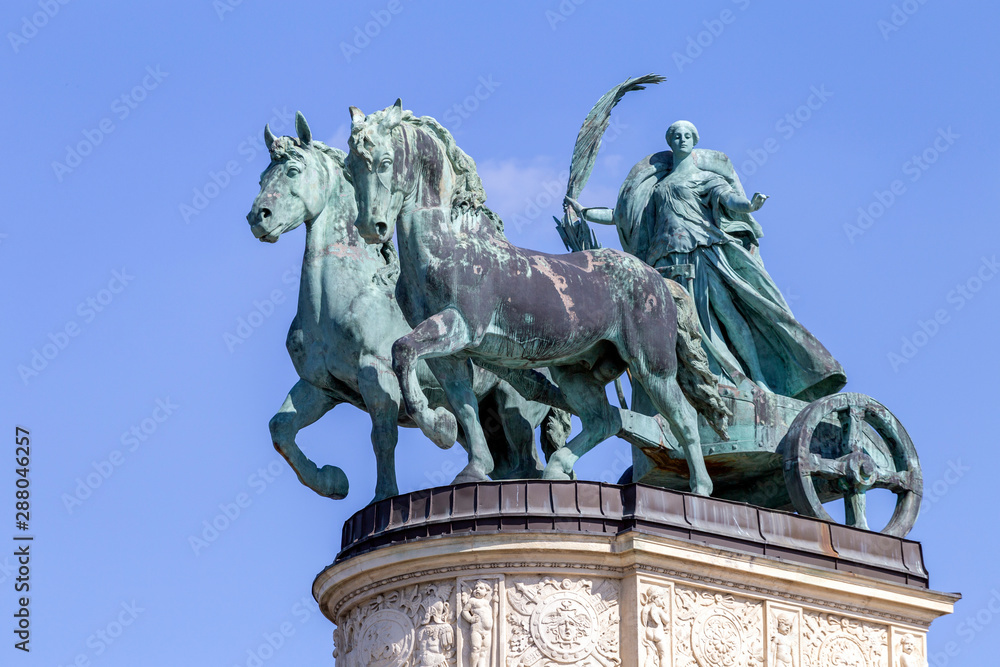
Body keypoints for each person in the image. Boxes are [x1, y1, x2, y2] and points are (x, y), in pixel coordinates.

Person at [565, 120, 845, 401]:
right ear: (670, 142)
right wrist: (583, 211)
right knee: (671, 327)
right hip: (664, 261)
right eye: (677, 135)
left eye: (687, 135)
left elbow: (729, 200)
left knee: (729, 317)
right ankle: (684, 383)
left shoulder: (706, 178)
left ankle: (756, 376)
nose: (682, 139)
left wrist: (750, 206)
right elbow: (620, 216)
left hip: (703, 253)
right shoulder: (657, 187)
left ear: (694, 140)